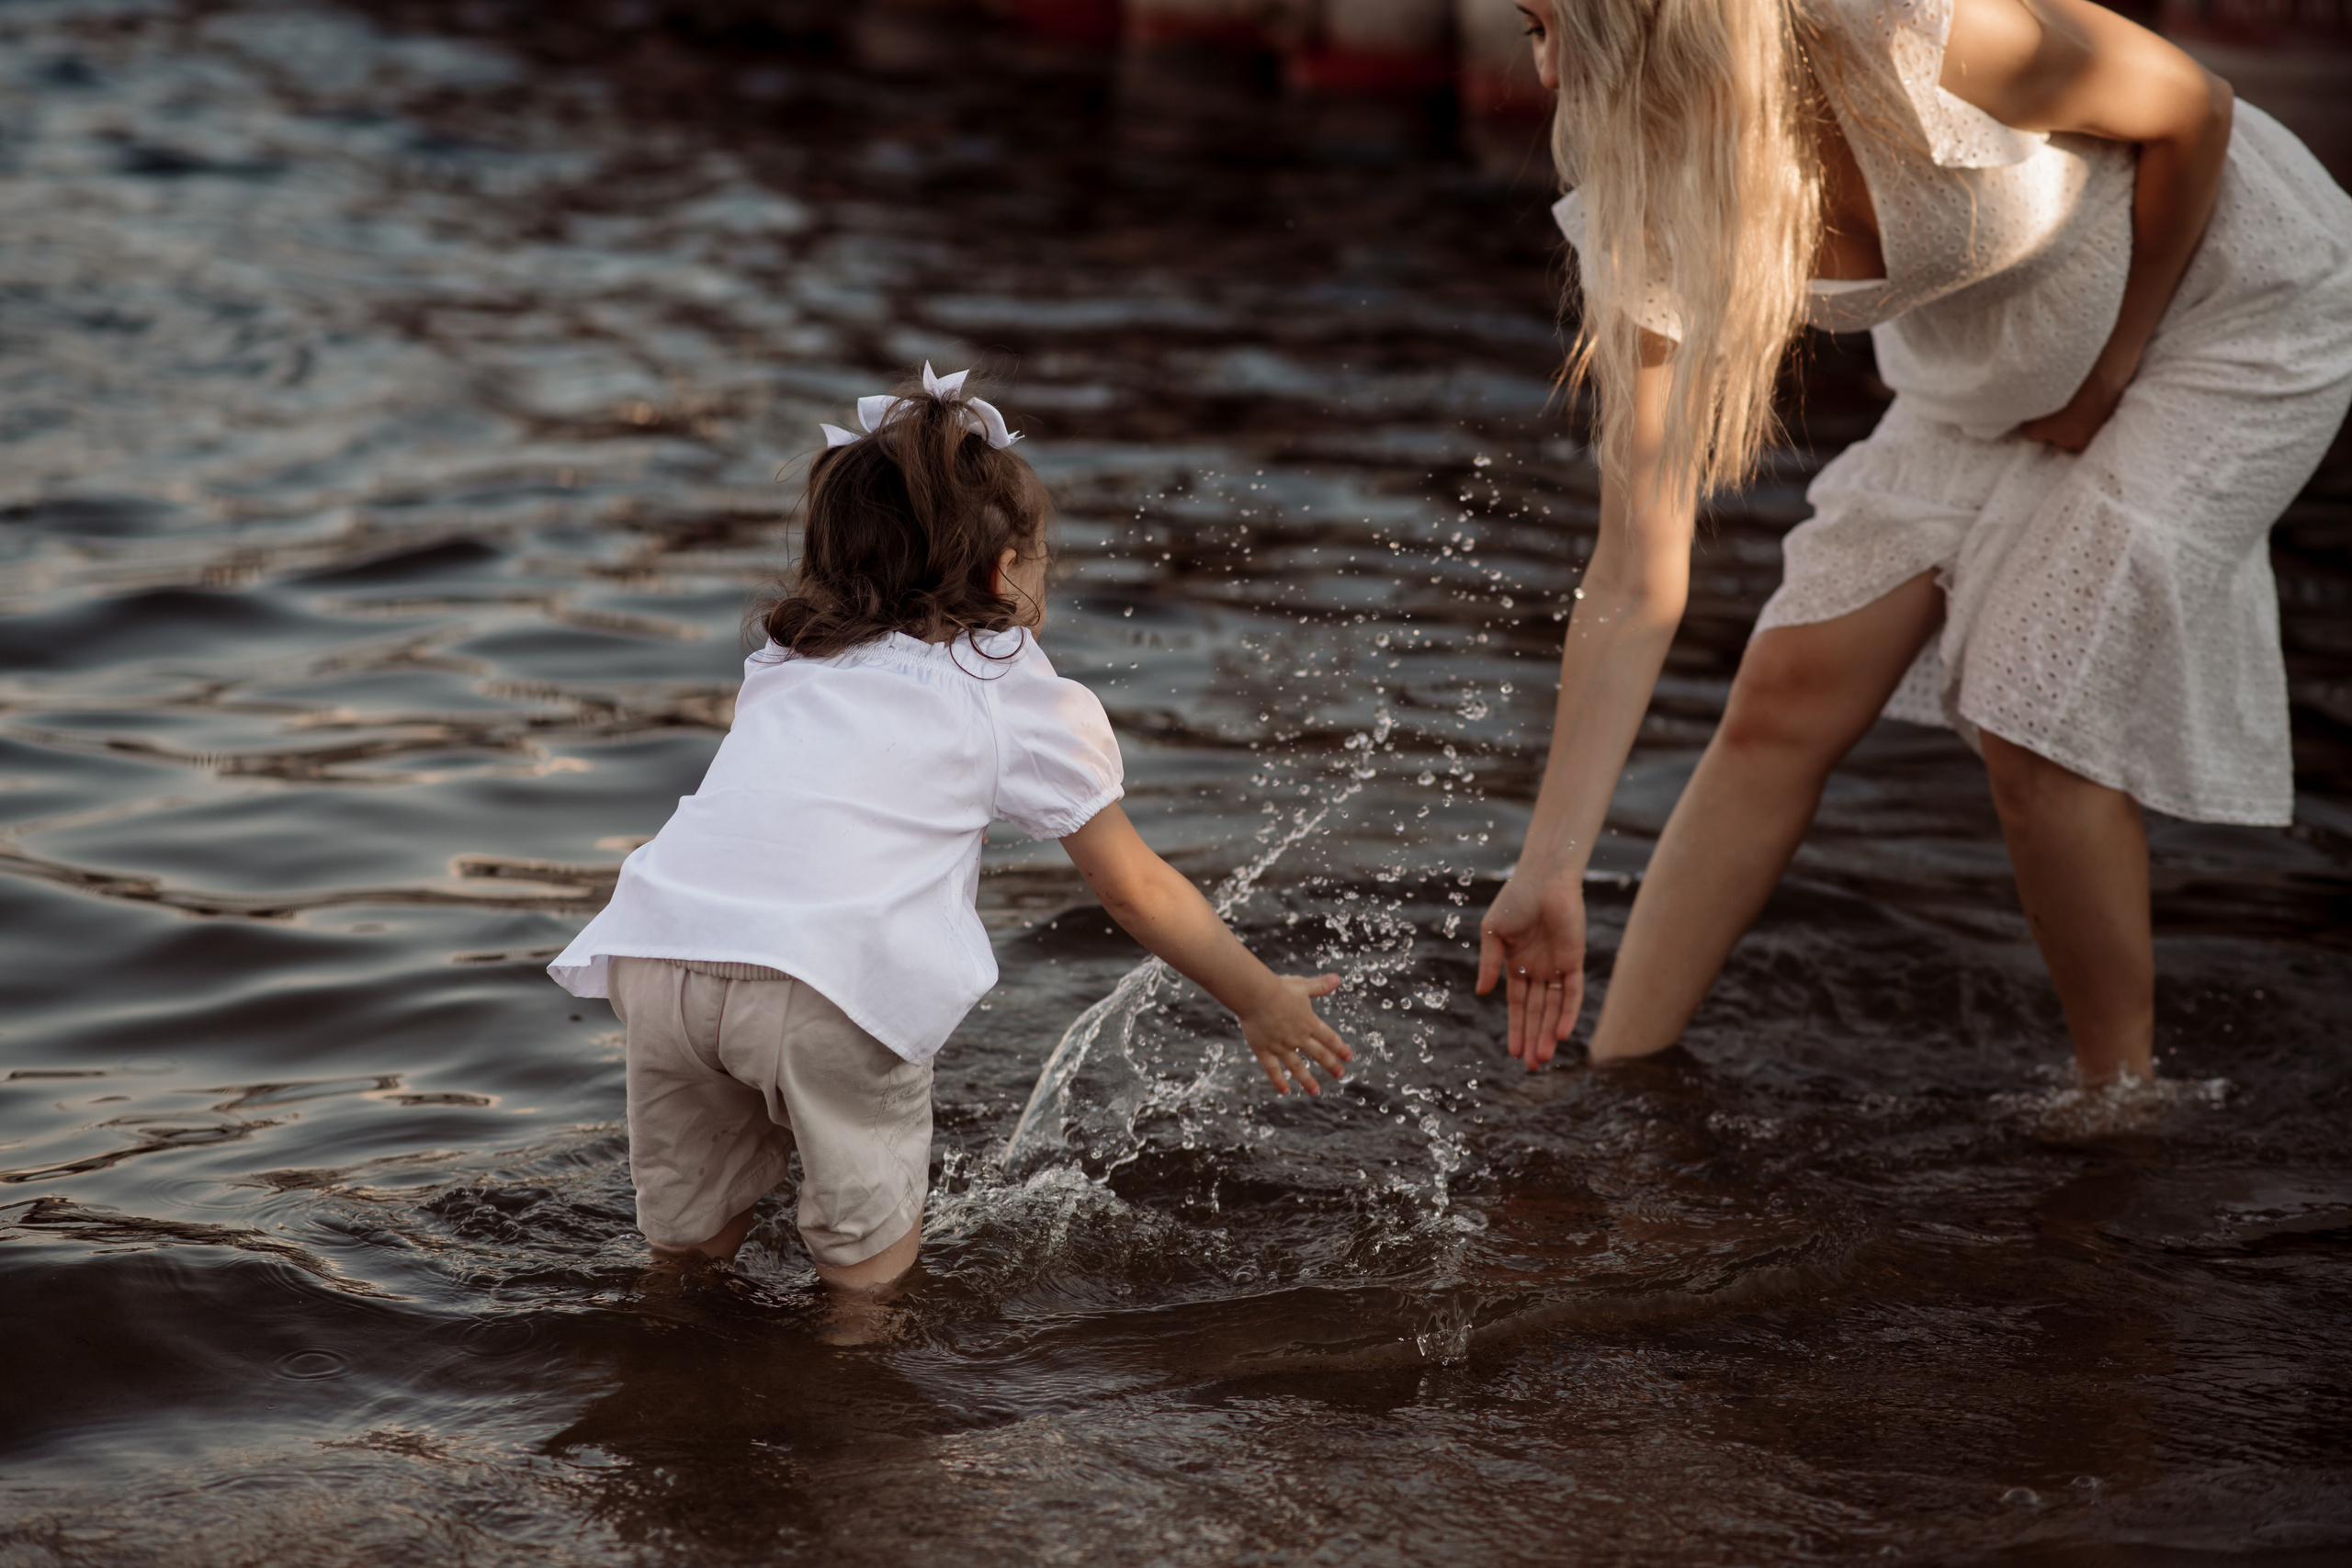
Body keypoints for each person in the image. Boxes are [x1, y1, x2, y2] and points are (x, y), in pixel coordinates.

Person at [1477, 0, 2352, 1082]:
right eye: (1528, 31)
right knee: (1783, 690)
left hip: (2228, 310)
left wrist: (2114, 367)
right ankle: (1612, 1077)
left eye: (1565, 24)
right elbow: (1632, 569)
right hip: (1996, 359)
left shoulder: (1914, 30)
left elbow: (2192, 110)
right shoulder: (1649, 198)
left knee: (2027, 701)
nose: (1554, 72)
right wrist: (1549, 866)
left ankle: (2120, 1102)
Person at [548, 366, 1351, 1325]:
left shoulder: (791, 658)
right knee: (865, 1270)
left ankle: (668, 1374)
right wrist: (1256, 997)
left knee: (686, 1242)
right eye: (1043, 560)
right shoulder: (1007, 686)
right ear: (1004, 573)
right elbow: (1134, 887)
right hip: (828, 981)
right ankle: (853, 1424)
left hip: (661, 949)